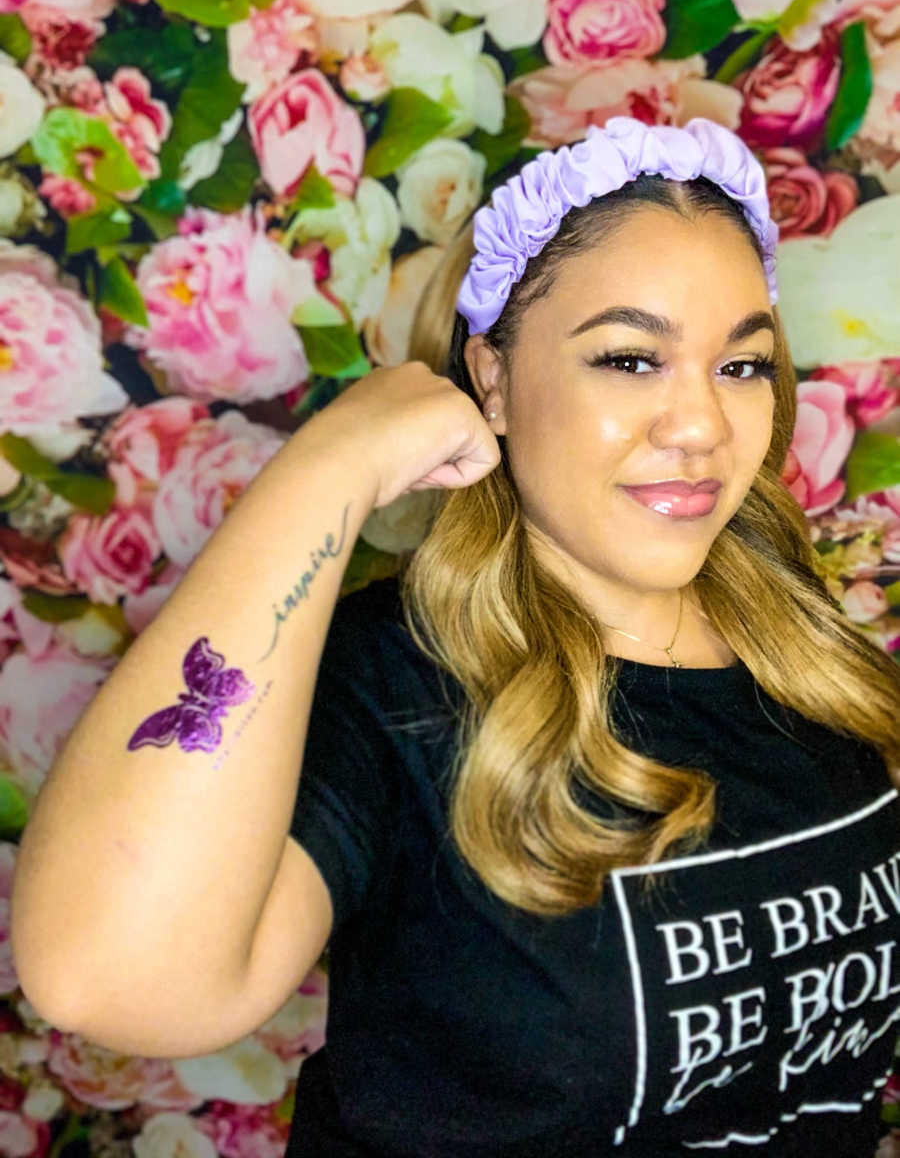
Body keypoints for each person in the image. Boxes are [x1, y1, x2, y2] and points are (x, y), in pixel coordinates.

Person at [10, 117, 900, 1157]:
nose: (701, 425)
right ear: (490, 379)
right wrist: (322, 474)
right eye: (629, 358)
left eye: (742, 367)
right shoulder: (397, 682)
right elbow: (107, 977)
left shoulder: (803, 638)